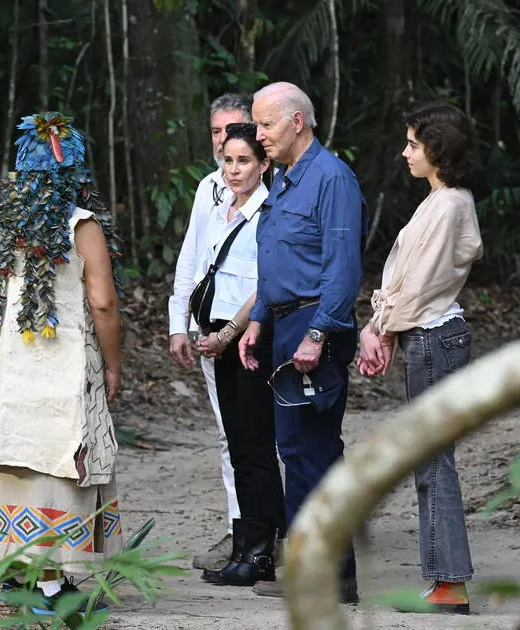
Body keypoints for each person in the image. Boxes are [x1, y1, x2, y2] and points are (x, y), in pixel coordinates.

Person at [0, 112, 125, 614]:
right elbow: (103, 304)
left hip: (9, 370)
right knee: (62, 467)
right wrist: (114, 365)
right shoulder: (82, 227)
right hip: (64, 369)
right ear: (73, 171)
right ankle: (55, 586)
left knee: (18, 464)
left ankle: (25, 576)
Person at [237, 82, 367, 601]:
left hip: (317, 326)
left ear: (297, 122)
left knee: (311, 451)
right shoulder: (288, 179)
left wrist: (317, 333)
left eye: (265, 124)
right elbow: (281, 258)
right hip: (287, 324)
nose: (258, 134)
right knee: (295, 449)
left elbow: (342, 267)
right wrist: (259, 320)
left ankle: (332, 576)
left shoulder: (331, 178)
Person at [356, 101, 483, 615]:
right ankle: (444, 581)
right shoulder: (441, 201)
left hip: (434, 338)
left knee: (433, 462)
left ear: (438, 149)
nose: (404, 152)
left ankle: (450, 584)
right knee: (430, 461)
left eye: (413, 144)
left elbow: (421, 284)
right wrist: (383, 326)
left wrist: (379, 328)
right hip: (430, 337)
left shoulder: (450, 203)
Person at [192, 122, 285, 587]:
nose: (233, 169)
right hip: (219, 338)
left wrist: (229, 333)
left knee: (254, 447)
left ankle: (260, 553)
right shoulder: (221, 207)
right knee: (238, 445)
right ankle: (248, 548)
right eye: (228, 160)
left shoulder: (270, 213)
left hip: (249, 339)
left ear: (264, 164)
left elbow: (265, 283)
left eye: (244, 160)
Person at [167, 93, 252, 571]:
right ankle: (239, 528)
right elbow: (191, 258)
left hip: (255, 328)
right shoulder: (208, 187)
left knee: (267, 436)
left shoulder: (273, 186)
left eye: (234, 130)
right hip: (209, 329)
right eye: (217, 132)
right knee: (228, 434)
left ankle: (272, 528)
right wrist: (178, 321)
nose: (224, 142)